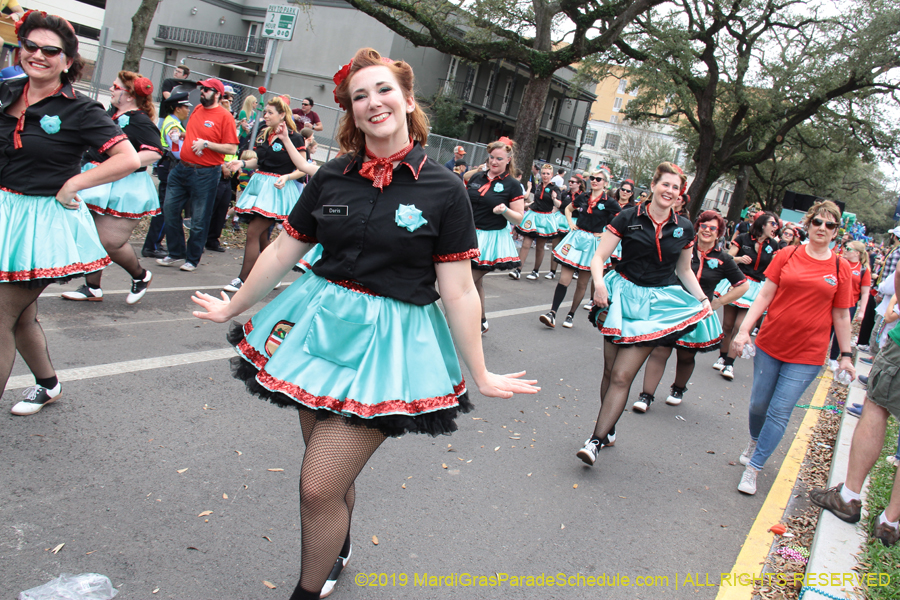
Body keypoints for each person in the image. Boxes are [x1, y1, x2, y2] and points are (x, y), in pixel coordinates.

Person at [191, 48, 538, 600]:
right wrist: (235, 308)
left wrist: (482, 371)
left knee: (316, 484)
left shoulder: (445, 188)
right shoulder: (332, 175)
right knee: (329, 477)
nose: (372, 102)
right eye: (359, 96)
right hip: (315, 332)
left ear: (406, 99)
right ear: (349, 113)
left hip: (389, 347)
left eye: (382, 90)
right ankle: (336, 542)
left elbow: (460, 288)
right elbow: (284, 251)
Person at [0, 11, 140, 415]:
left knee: (1, 313)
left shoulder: (80, 110)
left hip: (42, 224)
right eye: (30, 46)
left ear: (67, 60)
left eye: (50, 50)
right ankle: (48, 385)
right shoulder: (7, 91)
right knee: (20, 315)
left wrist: (74, 183)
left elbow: (127, 158)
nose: (38, 55)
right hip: (6, 215)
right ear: (19, 47)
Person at [575, 162, 711, 465]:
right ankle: (608, 429)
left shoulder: (684, 227)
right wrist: (598, 284)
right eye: (666, 184)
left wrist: (702, 299)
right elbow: (599, 257)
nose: (670, 191)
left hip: (656, 307)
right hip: (621, 297)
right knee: (610, 372)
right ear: (653, 185)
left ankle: (595, 440)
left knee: (623, 375)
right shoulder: (628, 217)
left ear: (680, 194)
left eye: (676, 188)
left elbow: (684, 270)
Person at [731, 201, 854, 495]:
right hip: (771, 344)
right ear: (808, 225)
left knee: (780, 411)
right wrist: (744, 330)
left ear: (837, 232)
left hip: (808, 354)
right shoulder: (787, 254)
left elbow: (841, 315)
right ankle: (754, 439)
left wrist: (846, 356)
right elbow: (764, 296)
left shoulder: (841, 267)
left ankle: (754, 468)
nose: (822, 229)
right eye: (818, 223)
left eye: (830, 225)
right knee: (759, 404)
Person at [61, 71, 163, 304]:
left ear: (129, 95)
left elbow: (155, 152)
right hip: (97, 181)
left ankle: (141, 276)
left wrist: (124, 163)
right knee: (90, 237)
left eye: (116, 87)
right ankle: (92, 288)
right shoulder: (109, 114)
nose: (111, 89)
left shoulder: (139, 120)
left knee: (109, 242)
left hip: (125, 188)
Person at [636, 210, 749, 411]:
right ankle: (646, 396)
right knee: (660, 349)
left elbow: (743, 286)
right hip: (671, 308)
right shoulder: (683, 248)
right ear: (697, 228)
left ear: (719, 232)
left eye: (712, 228)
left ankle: (678, 389)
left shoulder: (723, 258)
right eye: (704, 226)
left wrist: (717, 303)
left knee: (687, 355)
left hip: (698, 312)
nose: (707, 230)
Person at [222, 96, 311, 292]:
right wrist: (243, 163)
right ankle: (272, 275)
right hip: (259, 187)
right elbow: (260, 162)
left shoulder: (295, 138)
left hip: (277, 191)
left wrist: (287, 177)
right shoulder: (264, 134)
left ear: (282, 114)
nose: (266, 116)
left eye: (270, 113)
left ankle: (243, 279)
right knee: (261, 236)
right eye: (265, 112)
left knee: (253, 232)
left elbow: (303, 168)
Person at [156, 77, 239, 272]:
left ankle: (192, 259)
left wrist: (207, 144)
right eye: (202, 89)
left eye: (207, 90)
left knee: (199, 218)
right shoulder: (198, 110)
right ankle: (176, 252)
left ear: (217, 94)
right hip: (182, 168)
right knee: (169, 209)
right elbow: (194, 135)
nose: (202, 92)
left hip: (206, 173)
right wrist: (181, 135)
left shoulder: (225, 117)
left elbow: (231, 146)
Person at [540, 169, 617, 330]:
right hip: (577, 237)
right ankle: (552, 313)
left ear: (606, 183)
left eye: (599, 179)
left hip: (594, 243)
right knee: (564, 280)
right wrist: (570, 223)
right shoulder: (584, 196)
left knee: (582, 283)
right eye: (593, 178)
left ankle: (571, 314)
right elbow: (568, 209)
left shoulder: (609, 202)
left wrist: (606, 233)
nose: (595, 181)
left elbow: (621, 219)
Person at [463, 137, 525, 334]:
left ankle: (453, 323)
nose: (494, 162)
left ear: (508, 160)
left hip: (491, 241)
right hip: (469, 234)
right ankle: (481, 321)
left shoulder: (513, 185)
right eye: (491, 157)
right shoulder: (476, 178)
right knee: (476, 282)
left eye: (499, 158)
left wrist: (505, 210)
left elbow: (518, 219)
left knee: (465, 282)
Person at [713, 211, 780, 380]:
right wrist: (740, 259)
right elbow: (728, 257)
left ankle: (729, 364)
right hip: (738, 283)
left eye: (776, 225)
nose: (775, 227)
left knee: (741, 326)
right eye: (772, 224)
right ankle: (722, 356)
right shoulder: (743, 238)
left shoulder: (773, 245)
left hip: (756, 287)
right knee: (727, 325)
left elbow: (774, 268)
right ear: (763, 225)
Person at [142, 92, 191, 259]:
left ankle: (157, 243)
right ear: (177, 108)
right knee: (166, 209)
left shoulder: (174, 122)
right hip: (170, 166)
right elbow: (177, 151)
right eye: (185, 107)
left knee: (169, 208)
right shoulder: (173, 125)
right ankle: (152, 245)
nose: (187, 110)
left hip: (168, 167)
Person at [511, 163, 561, 280]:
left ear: (552, 175)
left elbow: (559, 204)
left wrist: (554, 198)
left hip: (545, 218)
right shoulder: (538, 186)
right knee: (526, 244)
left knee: (540, 246)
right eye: (543, 173)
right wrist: (528, 205)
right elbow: (537, 201)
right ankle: (518, 269)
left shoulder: (555, 188)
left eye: (548, 174)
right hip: (533, 216)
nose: (545, 176)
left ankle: (535, 271)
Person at [826, 240, 870, 367]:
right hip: (832, 301)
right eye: (844, 247)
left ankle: (833, 358)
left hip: (849, 304)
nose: (844, 249)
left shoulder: (863, 269)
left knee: (841, 330)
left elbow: (865, 292)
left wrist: (862, 311)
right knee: (827, 328)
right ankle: (818, 352)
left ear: (857, 253)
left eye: (848, 248)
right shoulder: (838, 261)